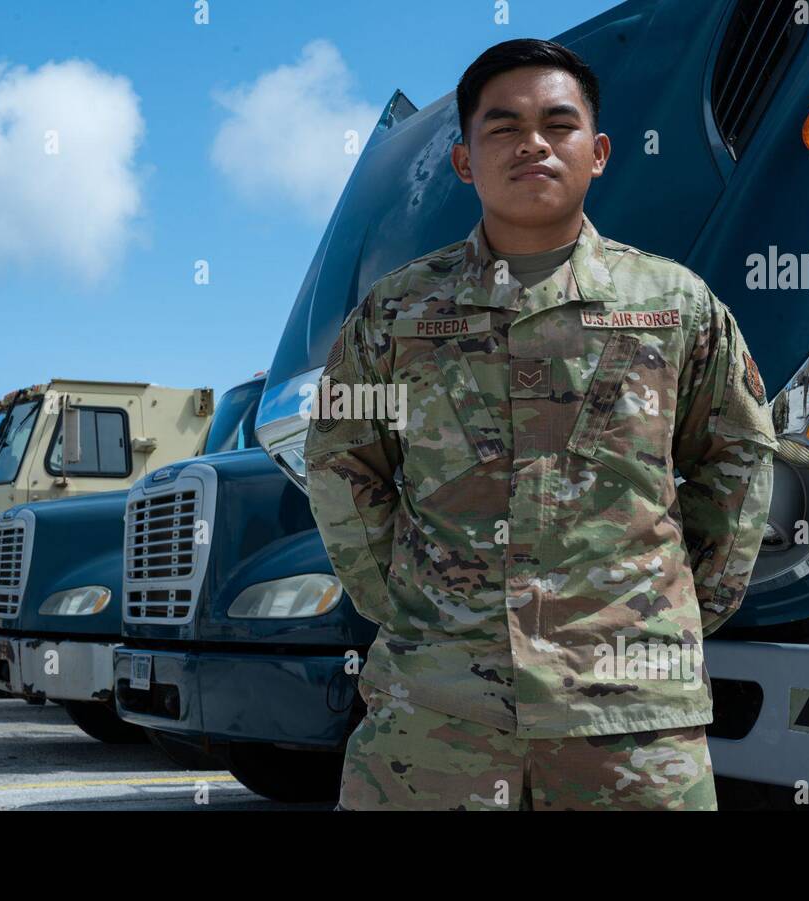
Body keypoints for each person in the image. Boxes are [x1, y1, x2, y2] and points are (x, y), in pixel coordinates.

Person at [304, 38, 778, 810]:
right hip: (436, 715)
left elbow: (739, 457)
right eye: (504, 127)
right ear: (464, 161)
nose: (533, 143)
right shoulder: (397, 315)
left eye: (559, 124)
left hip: (629, 718)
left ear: (598, 152)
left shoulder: (676, 307)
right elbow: (340, 459)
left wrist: (671, 601)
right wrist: (411, 601)